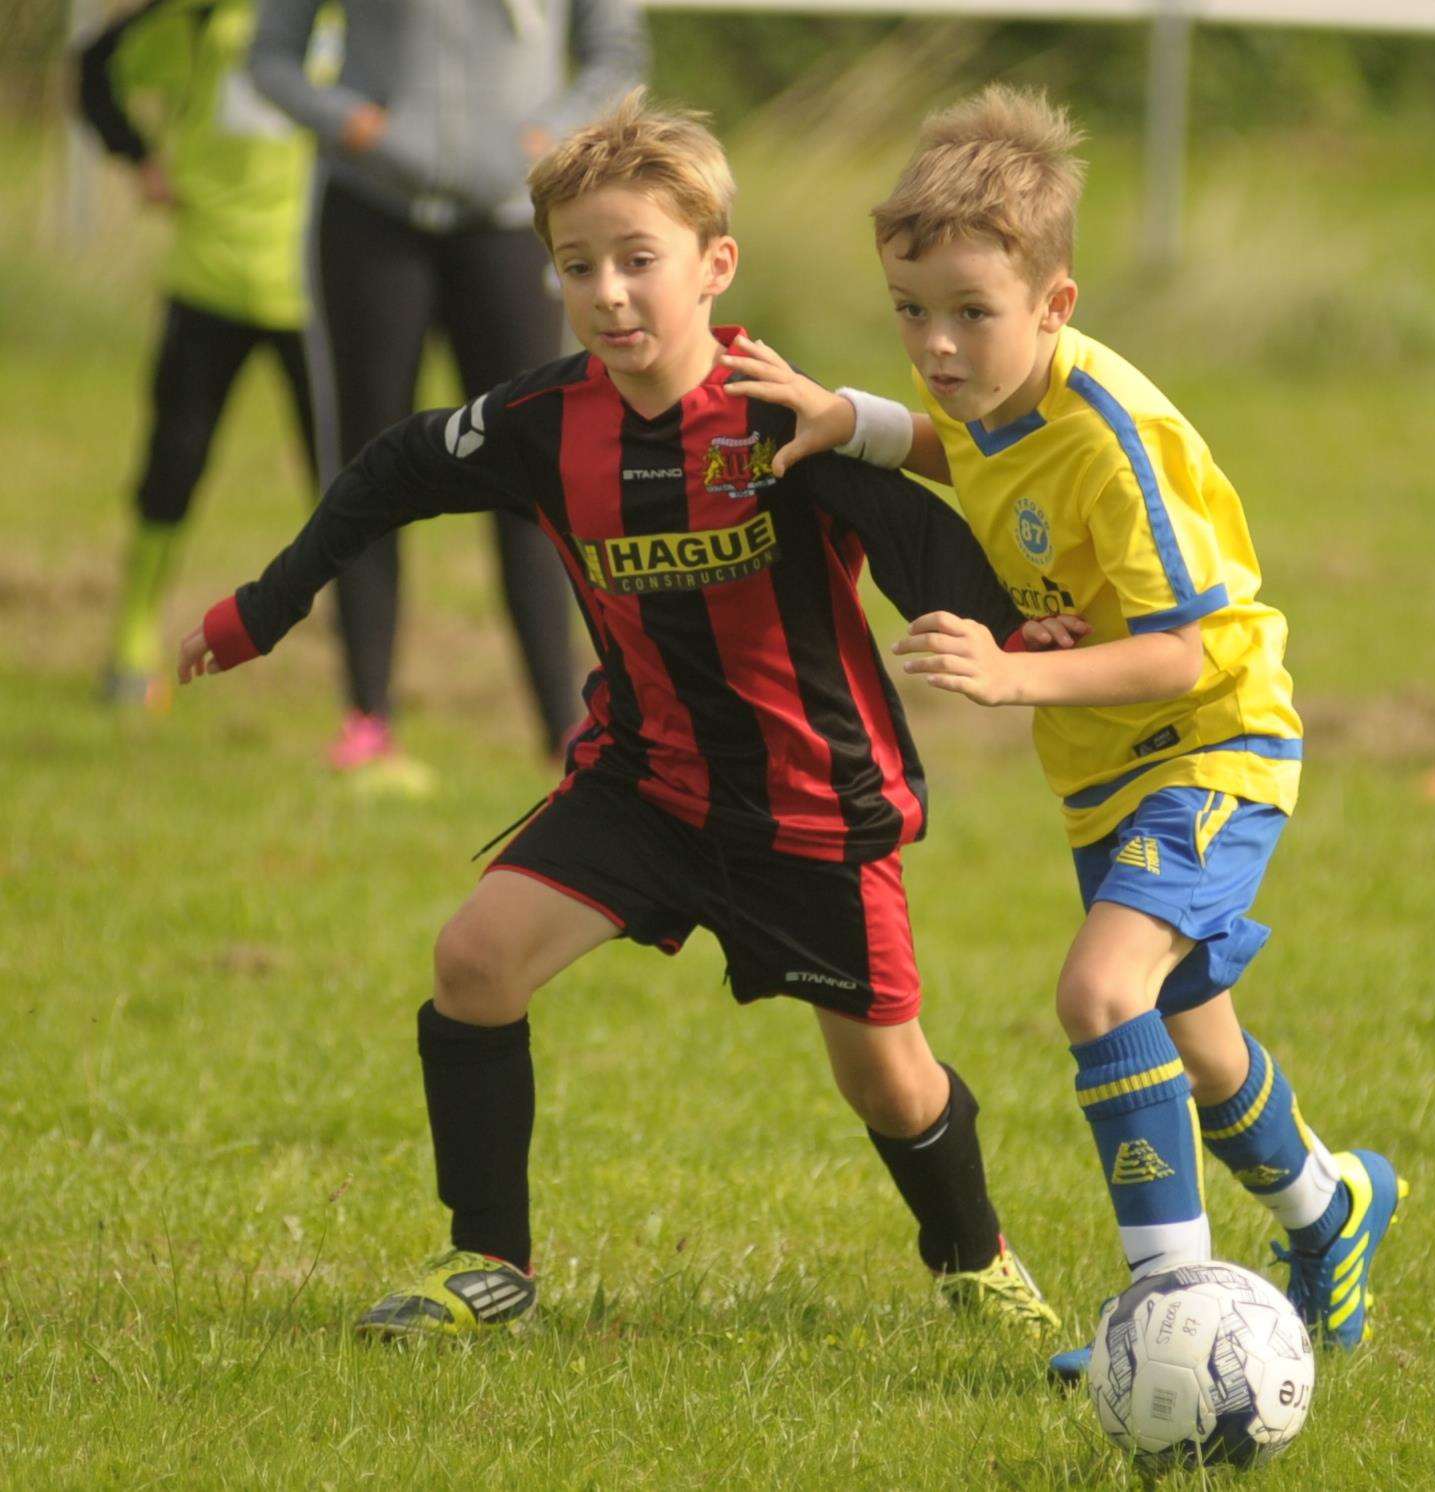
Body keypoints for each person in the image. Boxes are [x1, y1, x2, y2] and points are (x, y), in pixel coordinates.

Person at [176, 93, 1078, 1340]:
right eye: (577, 266)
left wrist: (1024, 631)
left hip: (810, 806)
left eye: (638, 261)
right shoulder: (544, 427)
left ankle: (977, 1262)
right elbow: (390, 467)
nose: (608, 294)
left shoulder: (786, 421)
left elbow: (927, 542)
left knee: (885, 1076)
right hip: (641, 786)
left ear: (715, 266)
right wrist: (263, 610)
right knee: (474, 963)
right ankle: (488, 1261)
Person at [720, 85, 1405, 1368]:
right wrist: (851, 417)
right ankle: (1331, 1202)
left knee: (1098, 993)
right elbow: (963, 446)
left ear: (1056, 305)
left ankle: (1172, 1316)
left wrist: (1010, 673)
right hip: (1107, 775)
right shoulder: (995, 395)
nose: (936, 345)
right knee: (1198, 1040)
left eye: (971, 313)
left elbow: (1193, 645)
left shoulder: (1113, 439)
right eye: (910, 311)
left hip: (1212, 748)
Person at [247, 0, 649, 776]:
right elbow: (272, 58)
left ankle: (566, 729)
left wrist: (548, 139)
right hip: (370, 212)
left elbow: (616, 52)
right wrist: (357, 127)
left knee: (535, 471)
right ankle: (367, 722)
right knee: (366, 471)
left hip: (513, 223)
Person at [77, 0, 317, 708]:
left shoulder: (360, 20)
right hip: (209, 276)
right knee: (173, 463)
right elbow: (96, 67)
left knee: (352, 480)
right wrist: (138, 156)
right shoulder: (201, 17)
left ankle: (364, 681)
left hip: (320, 288)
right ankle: (131, 636)